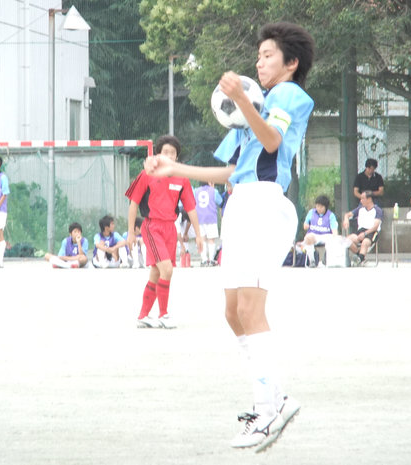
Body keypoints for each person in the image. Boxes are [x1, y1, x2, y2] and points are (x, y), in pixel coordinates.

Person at [143, 22, 313, 449]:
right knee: (233, 312)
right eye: (258, 56)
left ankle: (267, 412)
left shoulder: (287, 95)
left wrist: (241, 99)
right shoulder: (251, 107)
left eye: (268, 56)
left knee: (251, 309)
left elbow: (272, 142)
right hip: (240, 204)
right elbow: (231, 172)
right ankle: (277, 399)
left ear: (291, 63)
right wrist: (173, 169)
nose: (260, 62)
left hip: (264, 204)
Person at [126, 135, 203, 329]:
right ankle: (163, 314)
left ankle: (143, 316)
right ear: (158, 154)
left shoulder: (182, 178)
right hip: (152, 227)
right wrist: (130, 233)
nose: (169, 155)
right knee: (167, 270)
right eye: (165, 152)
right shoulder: (147, 174)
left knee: (156, 272)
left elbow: (191, 208)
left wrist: (198, 234)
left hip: (170, 228)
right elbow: (133, 203)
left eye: (172, 152)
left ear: (177, 156)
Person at [342, 191, 383, 266]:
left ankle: (359, 259)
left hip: (372, 232)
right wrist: (346, 219)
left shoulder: (378, 210)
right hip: (360, 231)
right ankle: (360, 257)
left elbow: (376, 226)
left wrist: (365, 234)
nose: (361, 201)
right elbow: (347, 214)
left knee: (365, 242)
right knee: (347, 240)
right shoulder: (360, 209)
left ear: (369, 199)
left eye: (363, 198)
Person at [299, 195, 339, 267]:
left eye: (321, 207)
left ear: (326, 207)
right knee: (308, 237)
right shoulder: (311, 212)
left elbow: (334, 231)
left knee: (332, 239)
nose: (319, 208)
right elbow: (305, 225)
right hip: (314, 235)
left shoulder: (331, 215)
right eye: (317, 206)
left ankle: (325, 260)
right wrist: (306, 225)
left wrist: (335, 238)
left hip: (326, 235)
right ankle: (312, 261)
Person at [192, 182, 223, 266]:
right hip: (211, 218)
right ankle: (211, 260)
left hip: (199, 218)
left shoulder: (196, 191)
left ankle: (204, 260)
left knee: (202, 239)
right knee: (211, 240)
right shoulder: (214, 191)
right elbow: (220, 201)